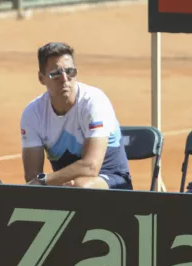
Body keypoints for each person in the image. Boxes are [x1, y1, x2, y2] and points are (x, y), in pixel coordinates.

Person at [19, 42, 132, 189]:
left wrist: (46, 180)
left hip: (112, 179)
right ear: (41, 78)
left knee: (80, 187)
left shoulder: (94, 101)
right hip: (65, 186)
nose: (65, 79)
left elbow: (91, 167)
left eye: (70, 71)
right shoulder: (32, 113)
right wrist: (45, 182)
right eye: (55, 74)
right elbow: (32, 177)